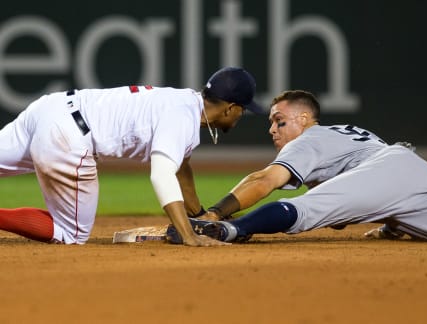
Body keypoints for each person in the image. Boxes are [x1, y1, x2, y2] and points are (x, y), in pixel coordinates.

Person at [166, 89, 427, 244]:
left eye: (280, 121)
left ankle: (229, 230)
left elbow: (264, 180)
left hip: (394, 169)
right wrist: (392, 227)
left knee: (303, 210)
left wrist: (216, 213)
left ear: (304, 120)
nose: (273, 130)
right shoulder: (342, 135)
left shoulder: (309, 139)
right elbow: (380, 186)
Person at [0, 66, 264, 246]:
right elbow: (162, 175)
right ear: (231, 108)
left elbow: (181, 169)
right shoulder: (182, 119)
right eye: (243, 110)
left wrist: (201, 214)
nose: (242, 115)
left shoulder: (183, 102)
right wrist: (188, 235)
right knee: (71, 234)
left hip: (50, 108)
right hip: (67, 137)